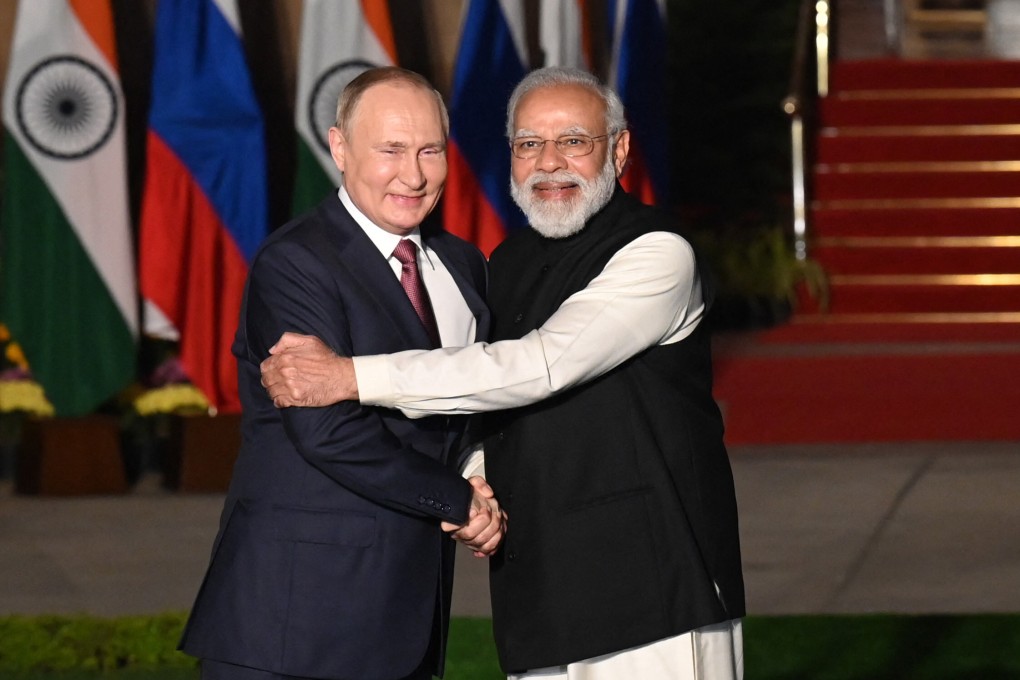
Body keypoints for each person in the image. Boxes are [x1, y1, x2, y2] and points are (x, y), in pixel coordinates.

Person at [261, 66, 745, 679]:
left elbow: (540, 366)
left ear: (619, 150)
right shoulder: (504, 263)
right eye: (528, 143)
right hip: (542, 585)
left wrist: (351, 377)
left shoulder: (658, 253)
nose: (549, 162)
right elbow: (495, 407)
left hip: (659, 586)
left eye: (574, 141)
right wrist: (471, 479)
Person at [179, 67, 505, 680]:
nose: (413, 175)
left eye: (430, 150)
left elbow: (464, 406)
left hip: (408, 613)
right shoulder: (295, 262)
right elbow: (326, 430)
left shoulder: (464, 266)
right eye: (390, 150)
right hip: (294, 620)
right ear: (339, 148)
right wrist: (458, 500)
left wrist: (478, 472)